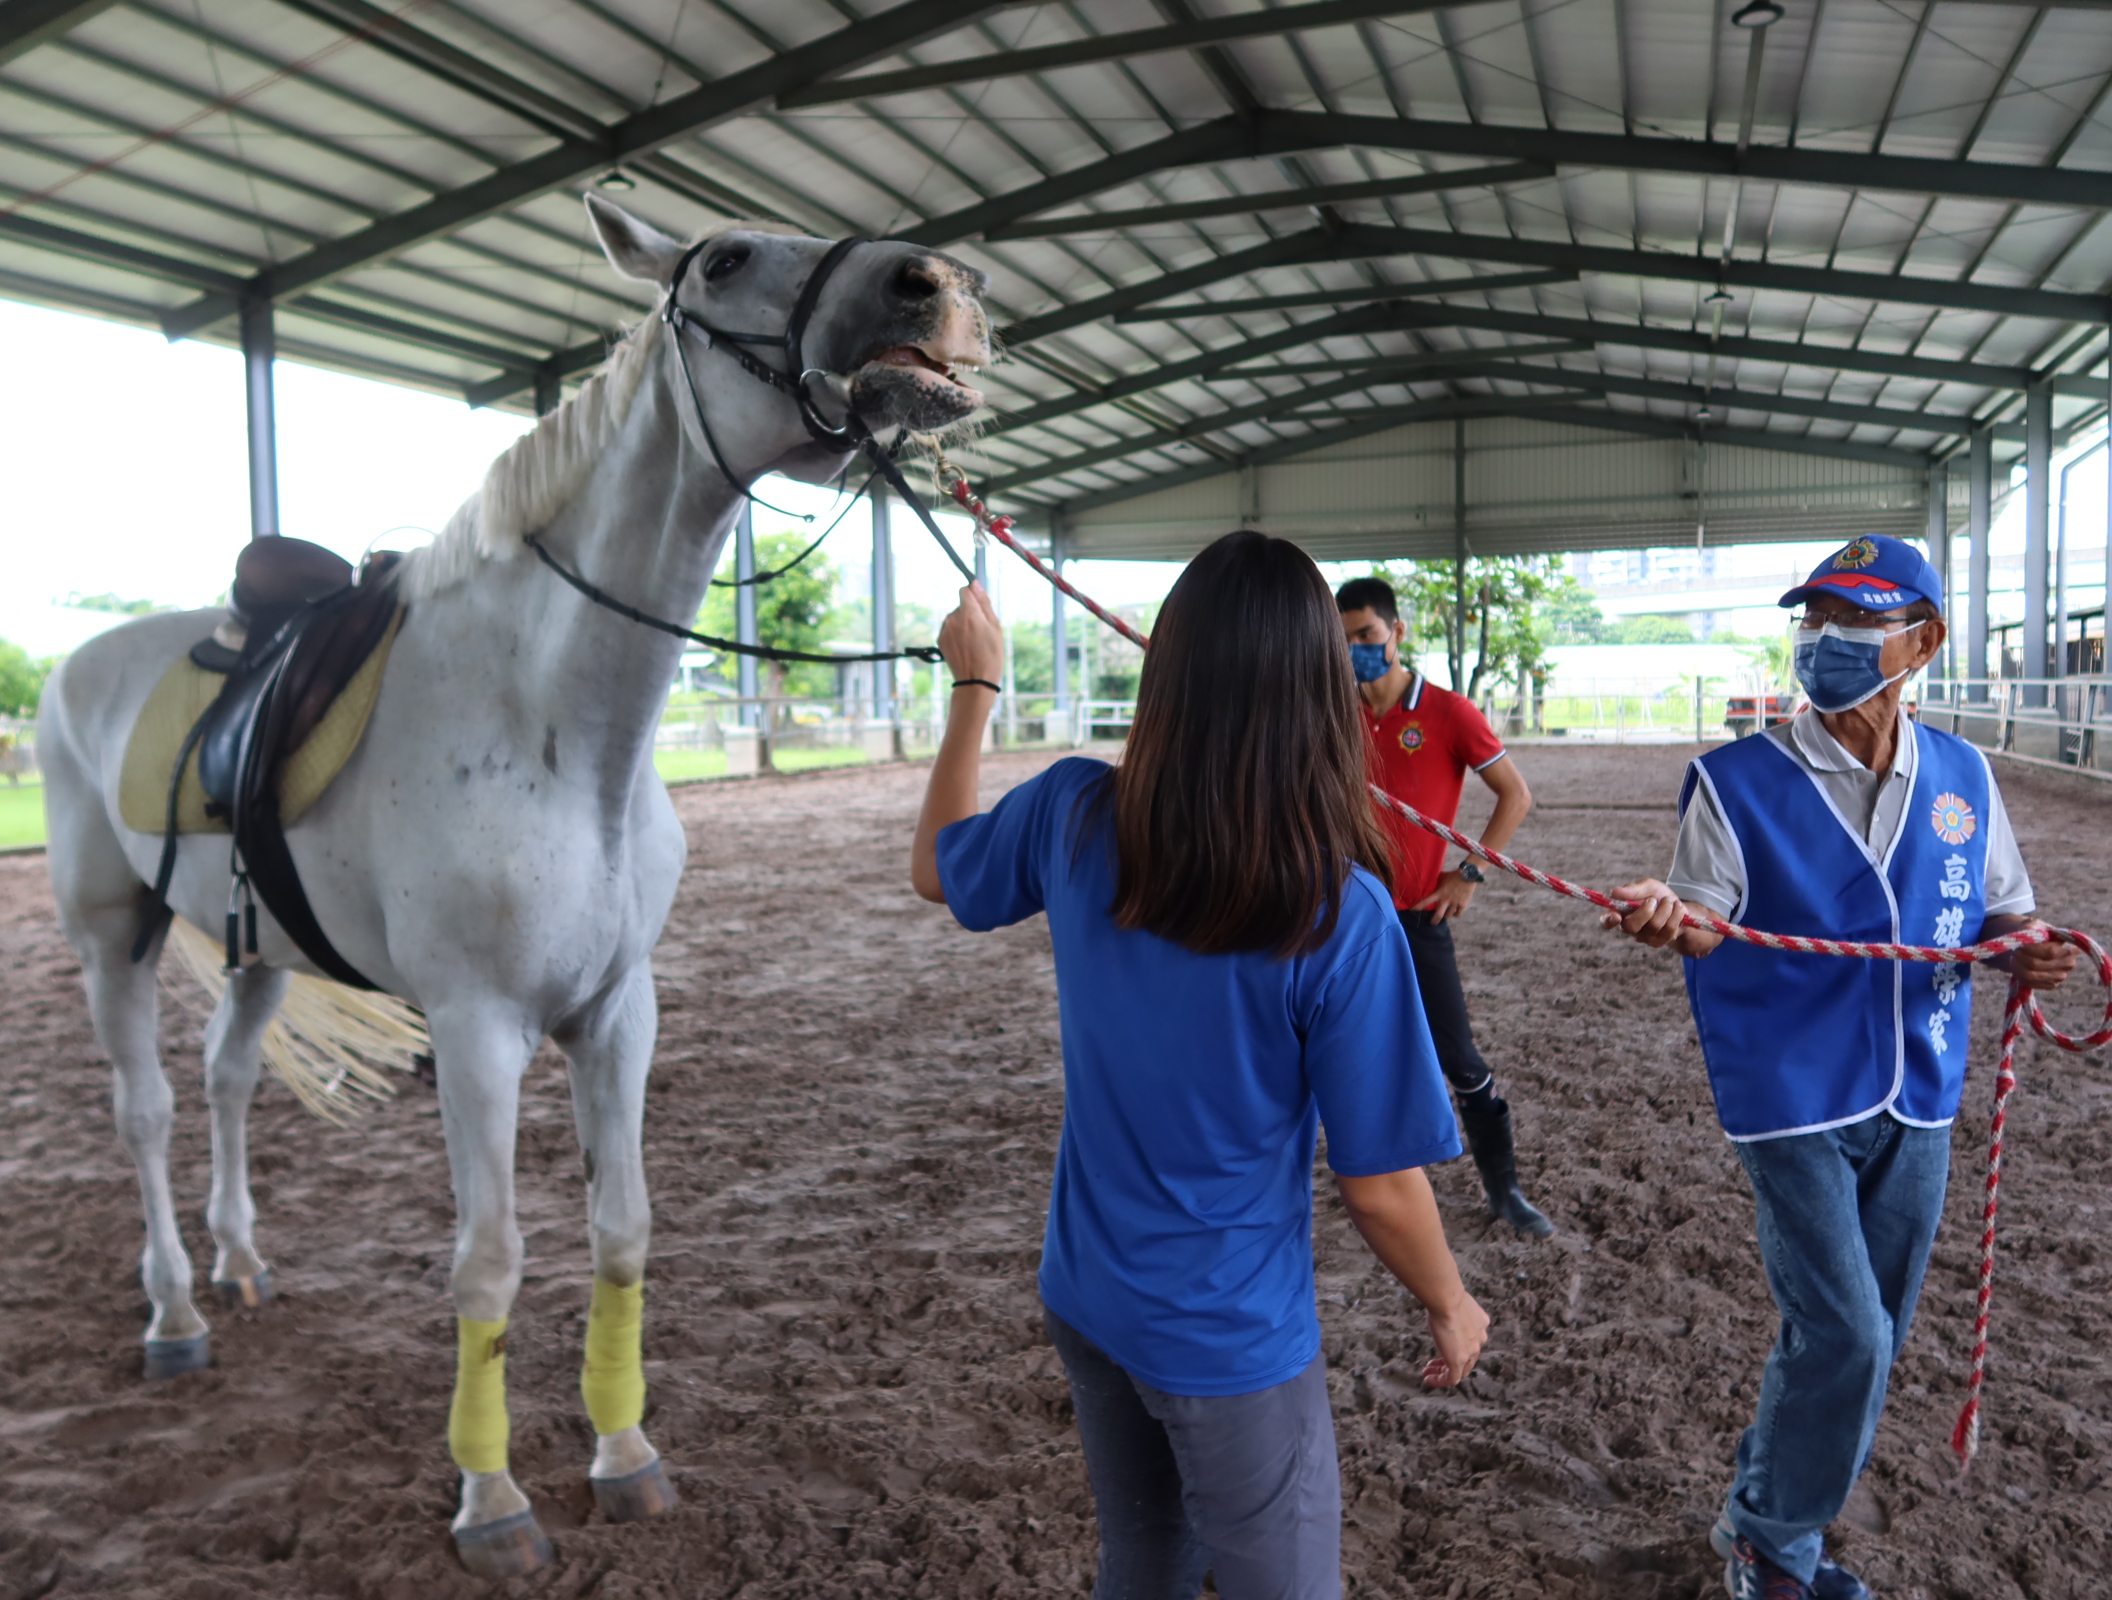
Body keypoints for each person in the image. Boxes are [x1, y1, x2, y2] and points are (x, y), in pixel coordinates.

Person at [910, 533, 1490, 1600]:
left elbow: (937, 868)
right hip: (1228, 1337)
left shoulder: (1073, 811)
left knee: (1146, 1561)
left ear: (1165, 668)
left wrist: (975, 690)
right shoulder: (1339, 912)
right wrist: (1452, 1303)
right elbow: (1380, 1184)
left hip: (1086, 1293)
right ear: (1319, 687)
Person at [1602, 534, 2077, 1600]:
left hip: (1923, 1086)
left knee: (1865, 1335)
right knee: (1850, 1332)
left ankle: (1768, 1519)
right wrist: (1673, 921)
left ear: (1926, 639)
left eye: (1856, 621)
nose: (1826, 642)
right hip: (1791, 1095)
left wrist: (2034, 950)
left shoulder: (1964, 776)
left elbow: (2004, 911)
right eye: (1814, 620)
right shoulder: (1734, 782)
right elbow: (1708, 923)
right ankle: (1773, 1546)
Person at [1335, 576, 1553, 1237]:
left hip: (1417, 919)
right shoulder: (1331, 716)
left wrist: (1467, 874)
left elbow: (1515, 795)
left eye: (1367, 636)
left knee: (1458, 1059)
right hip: (1343, 917)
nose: (1356, 651)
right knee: (1325, 1054)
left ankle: (1505, 1190)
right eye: (1343, 641)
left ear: (1397, 633)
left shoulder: (1450, 713)